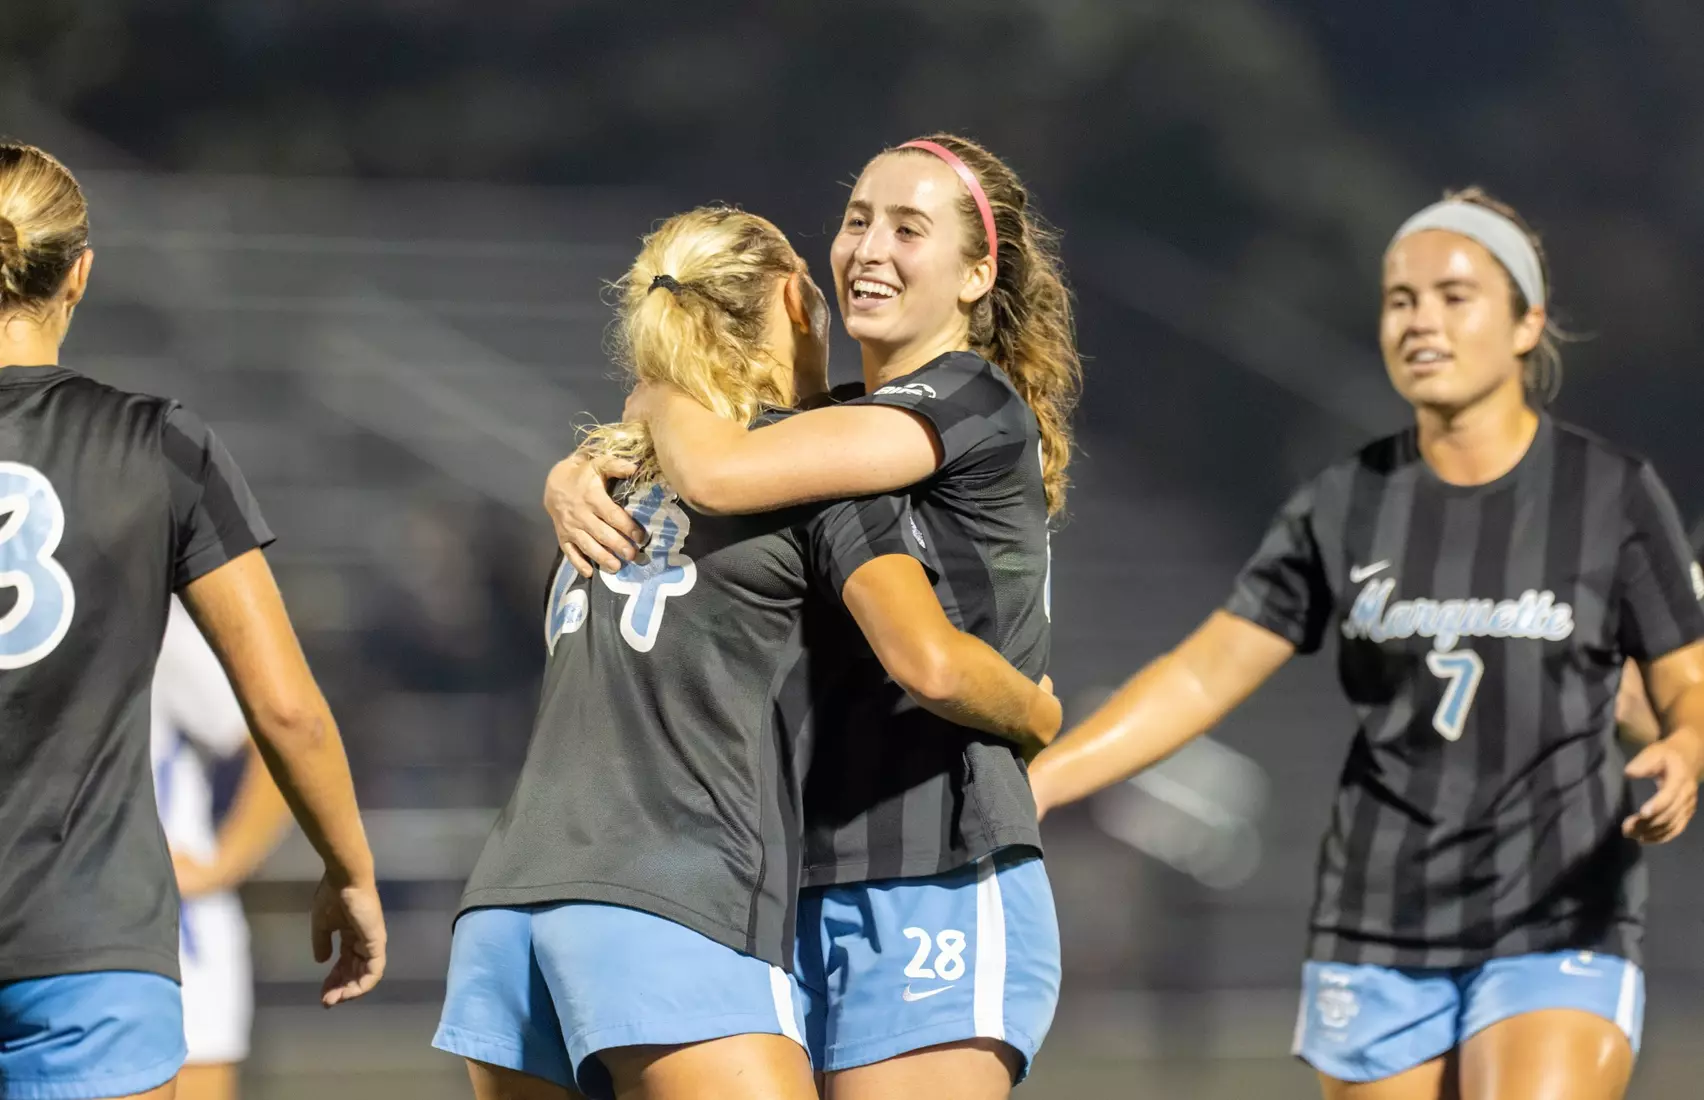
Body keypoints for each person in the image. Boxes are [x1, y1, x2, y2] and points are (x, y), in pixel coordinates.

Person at [1026, 188, 1704, 1100]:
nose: (1420, 319)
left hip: (1561, 913)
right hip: (1380, 925)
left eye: (1454, 295)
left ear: (1525, 322)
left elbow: (1684, 675)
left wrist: (1687, 742)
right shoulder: (1346, 505)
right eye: (1400, 298)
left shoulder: (1613, 498)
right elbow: (1203, 673)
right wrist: (1043, 782)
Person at [432, 205, 1060, 1100]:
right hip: (675, 903)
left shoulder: (607, 485)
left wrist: (625, 421)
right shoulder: (817, 484)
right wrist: (1038, 711)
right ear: (796, 302)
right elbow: (931, 662)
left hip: (505, 912)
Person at [0, 142, 386, 1100]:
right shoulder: (157, 444)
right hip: (91, 948)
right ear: (81, 273)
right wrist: (348, 871)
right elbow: (285, 708)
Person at [152, 596, 295, 1100]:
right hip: (41, 931)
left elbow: (283, 729)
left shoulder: (148, 618)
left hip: (170, 944)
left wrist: (220, 867)